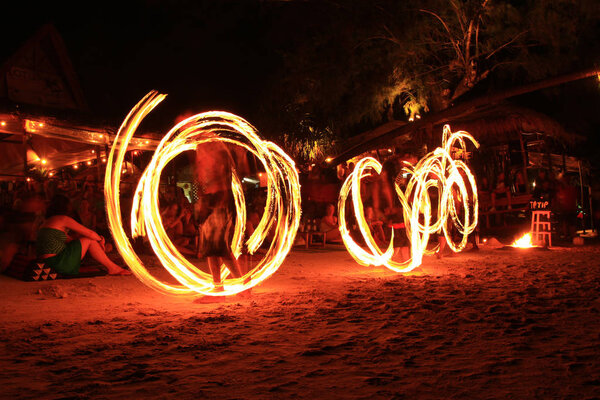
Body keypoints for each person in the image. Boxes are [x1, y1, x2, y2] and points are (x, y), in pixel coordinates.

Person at [35, 194, 131, 276]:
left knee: (88, 241)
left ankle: (111, 265)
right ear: (65, 206)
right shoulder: (63, 219)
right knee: (90, 239)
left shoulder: (47, 222)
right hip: (57, 263)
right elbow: (90, 233)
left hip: (46, 264)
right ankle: (113, 268)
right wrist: (101, 240)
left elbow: (71, 241)